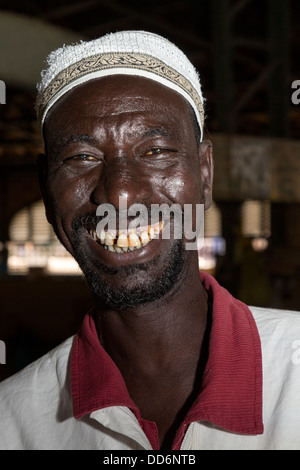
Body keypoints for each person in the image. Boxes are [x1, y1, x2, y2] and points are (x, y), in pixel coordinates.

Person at [0, 30, 300, 451]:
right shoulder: (12, 421)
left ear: (205, 174)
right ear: (46, 189)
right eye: (81, 157)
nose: (119, 194)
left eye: (156, 151)